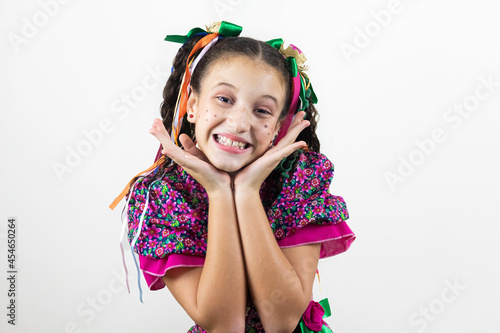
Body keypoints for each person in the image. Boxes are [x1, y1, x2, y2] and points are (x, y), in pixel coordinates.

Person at [109, 21, 355, 333]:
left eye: (262, 111)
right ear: (193, 105)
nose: (239, 124)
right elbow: (224, 326)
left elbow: (283, 321)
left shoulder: (300, 179)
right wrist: (220, 192)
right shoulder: (163, 195)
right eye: (224, 99)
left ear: (279, 127)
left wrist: (248, 192)